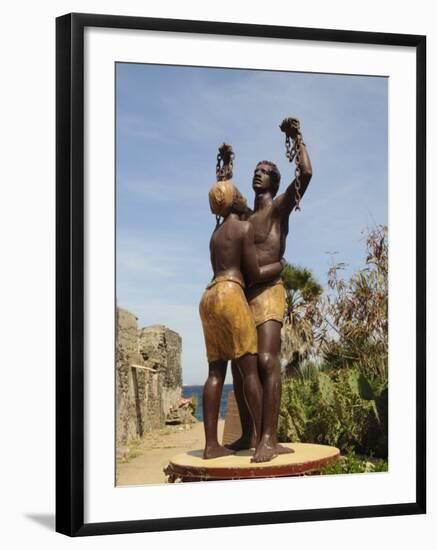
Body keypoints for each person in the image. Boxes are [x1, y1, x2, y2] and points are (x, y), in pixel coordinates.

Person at [228, 118, 313, 462]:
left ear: (275, 182)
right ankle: (249, 434)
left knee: (266, 360)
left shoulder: (278, 209)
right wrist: (225, 167)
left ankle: (269, 438)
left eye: (264, 171)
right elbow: (223, 198)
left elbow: (305, 175)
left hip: (270, 293)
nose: (258, 174)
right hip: (245, 296)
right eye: (256, 170)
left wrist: (298, 138)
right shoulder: (245, 218)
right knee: (240, 366)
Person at [199, 179, 285, 459]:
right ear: (235, 201)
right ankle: (263, 440)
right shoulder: (243, 228)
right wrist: (279, 265)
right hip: (230, 294)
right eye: (239, 195)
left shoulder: (215, 234)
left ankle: (211, 445)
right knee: (249, 368)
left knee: (215, 372)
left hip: (207, 296)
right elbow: (255, 274)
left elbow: (222, 197)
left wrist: (223, 177)